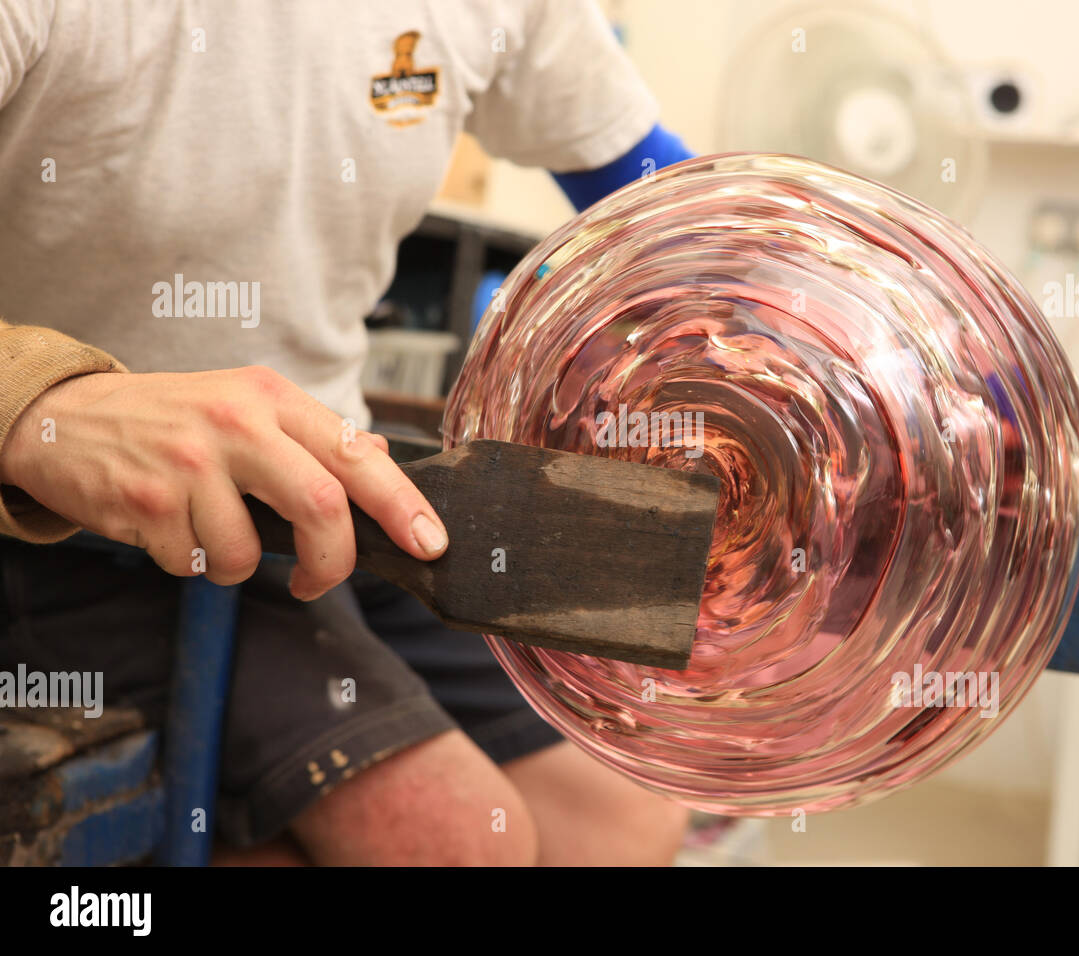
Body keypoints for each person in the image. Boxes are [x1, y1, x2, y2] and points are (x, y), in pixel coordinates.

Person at [0, 0, 693, 865]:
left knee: (620, 820)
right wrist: (38, 406)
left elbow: (652, 189)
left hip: (336, 491)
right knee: (454, 840)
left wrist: (784, 330)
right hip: (59, 527)